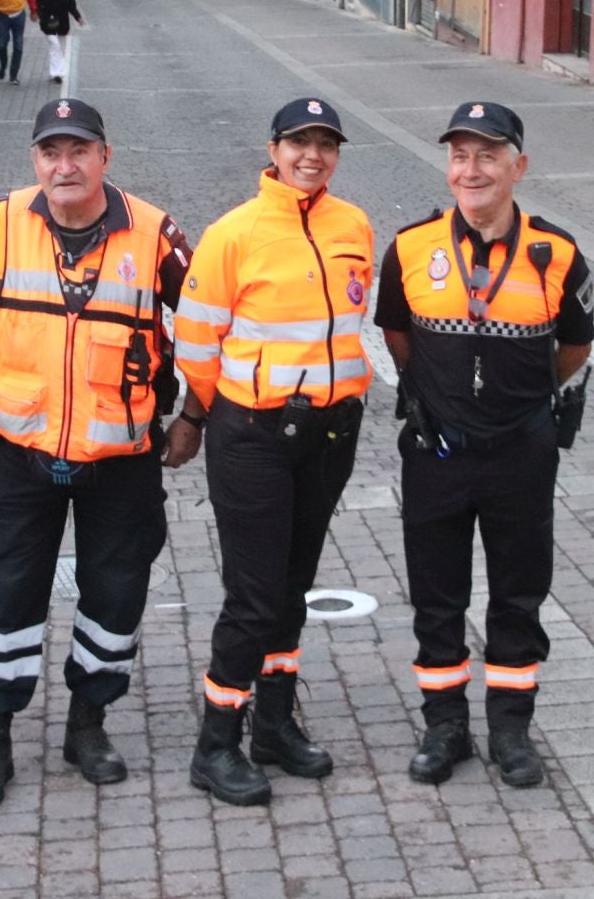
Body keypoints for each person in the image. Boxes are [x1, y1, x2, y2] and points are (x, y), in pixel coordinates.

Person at [0, 97, 198, 812]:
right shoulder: (1, 221)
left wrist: (191, 412)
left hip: (122, 456)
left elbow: (206, 320)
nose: (65, 165)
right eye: (51, 152)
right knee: (9, 592)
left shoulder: (154, 232)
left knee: (115, 593)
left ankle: (88, 725)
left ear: (105, 158)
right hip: (19, 452)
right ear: (35, 161)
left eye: (79, 150)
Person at [376, 102, 594, 789]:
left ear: (517, 167)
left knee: (517, 596)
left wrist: (524, 400)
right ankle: (445, 727)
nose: (471, 170)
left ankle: (510, 730)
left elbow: (576, 346)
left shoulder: (558, 254)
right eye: (460, 155)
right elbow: (396, 333)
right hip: (437, 451)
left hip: (520, 454)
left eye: (488, 155)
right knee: (436, 596)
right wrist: (430, 394)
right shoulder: (410, 248)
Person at [171, 98, 374, 807]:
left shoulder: (353, 225)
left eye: (325, 144)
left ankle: (275, 726)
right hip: (253, 434)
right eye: (298, 142)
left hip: (330, 432)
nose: (311, 156)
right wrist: (208, 412)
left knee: (293, 587)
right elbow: (196, 342)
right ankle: (215, 743)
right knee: (254, 597)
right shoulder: (234, 233)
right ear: (273, 150)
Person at [36, 0, 87, 86]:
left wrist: (78, 17)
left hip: (63, 23)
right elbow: (37, 3)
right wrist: (41, 15)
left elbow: (71, 5)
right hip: (48, 23)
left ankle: (58, 73)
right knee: (55, 46)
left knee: (59, 47)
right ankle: (56, 73)